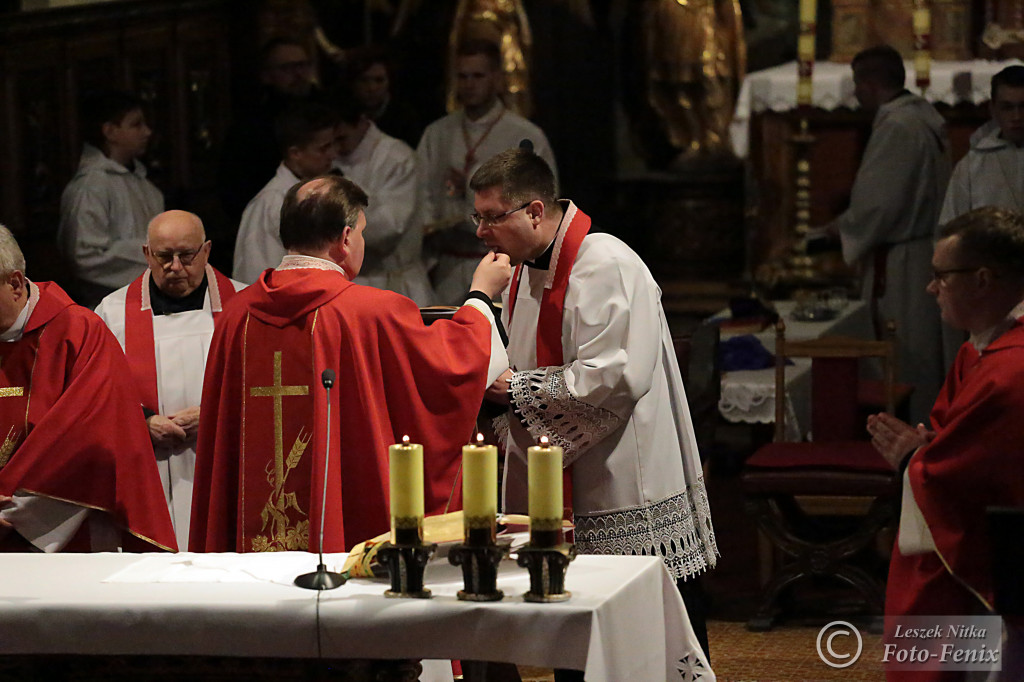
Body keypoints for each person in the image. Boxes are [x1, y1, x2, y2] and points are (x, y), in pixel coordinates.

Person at [471, 147, 718, 669]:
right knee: (578, 636)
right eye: (478, 217)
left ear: (534, 211)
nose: (481, 232)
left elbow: (615, 377)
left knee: (641, 635)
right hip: (567, 481)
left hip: (623, 475)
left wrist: (515, 391)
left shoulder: (605, 260)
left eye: (493, 217)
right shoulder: (521, 272)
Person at [190, 174, 510, 554]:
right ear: (344, 238)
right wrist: (481, 295)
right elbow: (455, 364)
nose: (361, 241)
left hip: (249, 549)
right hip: (348, 539)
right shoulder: (369, 312)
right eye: (361, 232)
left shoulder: (235, 316)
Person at [868, 207, 1024, 681]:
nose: (931, 288)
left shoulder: (1011, 370)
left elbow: (976, 473)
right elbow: (956, 443)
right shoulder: (982, 349)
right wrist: (928, 449)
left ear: (982, 280)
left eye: (941, 276)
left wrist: (916, 459)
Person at [0, 225, 175, 553]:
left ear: (14, 283)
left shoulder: (77, 332)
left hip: (58, 527)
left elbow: (89, 438)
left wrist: (13, 510)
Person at [95, 211, 246, 550]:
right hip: (148, 466)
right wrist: (142, 422)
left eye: (186, 255)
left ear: (206, 251)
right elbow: (93, 395)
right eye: (164, 257)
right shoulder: (111, 313)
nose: (175, 266)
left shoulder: (245, 306)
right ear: (147, 254)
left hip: (222, 463)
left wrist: (212, 417)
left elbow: (264, 391)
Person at [826, 45, 951, 424]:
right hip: (920, 249)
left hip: (901, 262)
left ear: (869, 83)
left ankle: (904, 441)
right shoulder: (923, 116)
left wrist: (837, 231)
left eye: (857, 84)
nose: (856, 94)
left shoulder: (897, 126)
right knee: (919, 352)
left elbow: (878, 206)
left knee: (904, 355)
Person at [416, 38, 557, 304]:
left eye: (478, 75)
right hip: (448, 265)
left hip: (506, 266)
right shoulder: (437, 133)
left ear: (497, 78)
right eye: (462, 76)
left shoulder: (524, 134)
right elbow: (421, 190)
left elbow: (545, 203)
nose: (469, 84)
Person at [58, 89, 164, 308]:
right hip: (108, 308)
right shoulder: (90, 187)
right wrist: (152, 257)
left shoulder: (145, 185)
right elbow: (84, 256)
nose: (147, 132)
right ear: (109, 131)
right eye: (136, 125)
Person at [333, 99, 433, 306]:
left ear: (361, 122)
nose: (336, 148)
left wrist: (331, 226)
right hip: (344, 286)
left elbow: (388, 228)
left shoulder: (396, 157)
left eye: (341, 137)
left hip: (392, 282)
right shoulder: (327, 156)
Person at [218, 38, 322, 234]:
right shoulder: (250, 127)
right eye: (287, 68)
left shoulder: (327, 114)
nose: (298, 74)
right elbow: (235, 190)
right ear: (267, 75)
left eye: (302, 65)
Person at [233, 101, 339, 283]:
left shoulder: (326, 192)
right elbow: (256, 277)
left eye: (332, 145)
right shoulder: (271, 203)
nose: (333, 154)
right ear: (295, 153)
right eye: (323, 148)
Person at [940, 65, 1024, 223]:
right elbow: (953, 227)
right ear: (993, 110)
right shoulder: (972, 166)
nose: (1017, 116)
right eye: (1007, 107)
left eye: (1023, 106)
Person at [346, 45, 423, 148]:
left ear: (390, 81)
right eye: (363, 80)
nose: (371, 88)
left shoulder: (405, 118)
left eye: (379, 80)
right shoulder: (342, 116)